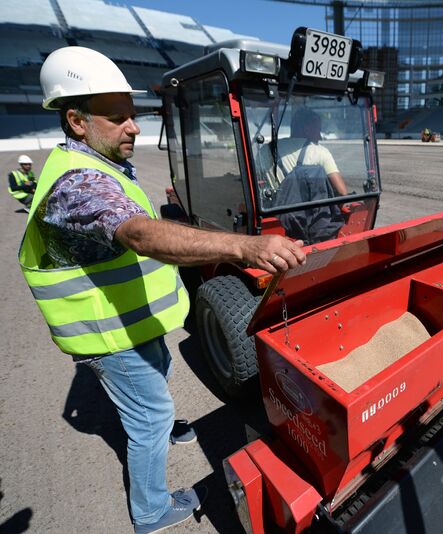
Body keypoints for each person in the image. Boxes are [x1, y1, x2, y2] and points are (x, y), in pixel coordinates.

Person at [18, 46, 306, 534]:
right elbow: (140, 234)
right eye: (117, 118)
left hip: (134, 319)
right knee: (149, 416)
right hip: (109, 337)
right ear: (76, 121)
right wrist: (246, 248)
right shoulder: (78, 184)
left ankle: (158, 422)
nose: (133, 127)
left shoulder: (101, 163)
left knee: (161, 376)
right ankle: (151, 511)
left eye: (132, 116)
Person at [259, 107, 348, 196]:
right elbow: (342, 192)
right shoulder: (320, 152)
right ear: (307, 130)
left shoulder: (266, 150)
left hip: (276, 208)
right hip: (307, 209)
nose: (320, 137)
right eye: (318, 130)